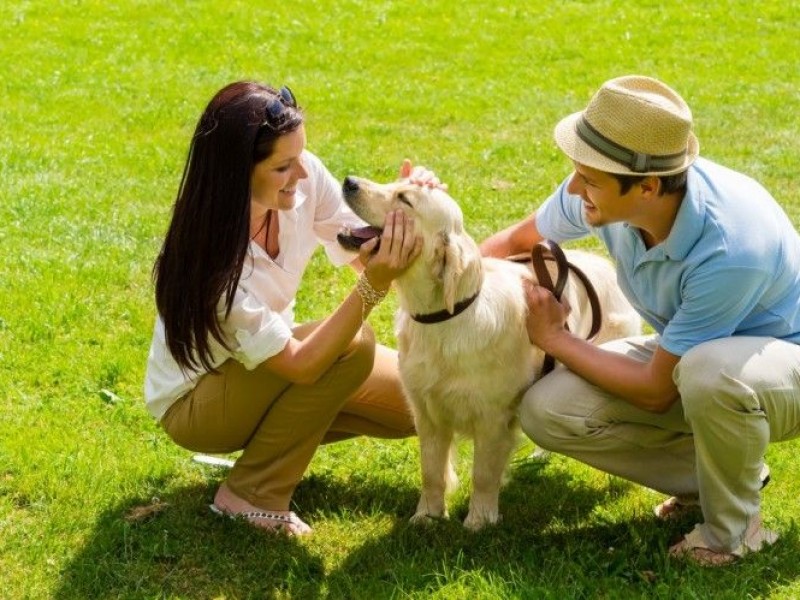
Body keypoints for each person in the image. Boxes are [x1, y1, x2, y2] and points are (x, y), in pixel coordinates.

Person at [480, 75, 800, 566]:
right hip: (696, 352)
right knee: (547, 409)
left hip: (780, 367)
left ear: (648, 186)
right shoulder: (605, 187)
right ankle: (716, 478)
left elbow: (655, 391)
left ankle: (731, 534)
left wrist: (554, 339)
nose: (573, 188)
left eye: (588, 179)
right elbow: (512, 243)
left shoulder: (732, 246)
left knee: (708, 372)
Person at [144, 81, 426, 536]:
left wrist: (408, 207)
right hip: (196, 402)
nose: (302, 174)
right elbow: (301, 365)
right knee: (349, 348)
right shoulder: (213, 264)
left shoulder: (302, 177)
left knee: (419, 403)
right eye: (282, 167)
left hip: (263, 370)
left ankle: (277, 444)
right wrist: (373, 288)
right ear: (239, 173)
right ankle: (251, 493)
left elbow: (361, 249)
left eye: (300, 158)